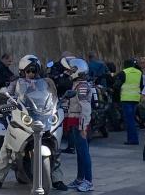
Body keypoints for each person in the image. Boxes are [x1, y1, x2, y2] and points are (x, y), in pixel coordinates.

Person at [0, 55, 68, 191]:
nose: (31, 74)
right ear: (22, 71)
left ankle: (57, 179)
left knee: (56, 148)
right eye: (28, 71)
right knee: (7, 146)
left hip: (43, 117)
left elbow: (53, 96)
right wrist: (7, 100)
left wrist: (60, 102)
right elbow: (7, 94)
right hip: (23, 117)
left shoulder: (47, 82)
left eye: (34, 71)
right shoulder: (16, 83)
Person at [61, 58, 94, 192]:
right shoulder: (76, 85)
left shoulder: (82, 87)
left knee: (84, 153)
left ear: (77, 71)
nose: (68, 72)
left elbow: (85, 108)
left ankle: (89, 181)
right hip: (73, 121)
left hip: (80, 123)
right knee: (80, 153)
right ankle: (80, 179)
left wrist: (83, 127)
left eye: (70, 70)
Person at [114, 58, 143, 145]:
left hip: (126, 99)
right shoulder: (139, 72)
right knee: (132, 119)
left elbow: (117, 85)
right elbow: (141, 85)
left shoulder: (123, 73)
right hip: (136, 98)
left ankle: (133, 139)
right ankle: (133, 138)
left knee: (129, 120)